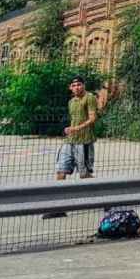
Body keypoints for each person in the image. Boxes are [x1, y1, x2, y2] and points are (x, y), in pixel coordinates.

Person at [44, 76, 98, 219]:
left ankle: (105, 199)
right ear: (70, 88)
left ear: (83, 86)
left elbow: (92, 119)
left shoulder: (89, 98)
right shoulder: (71, 102)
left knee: (84, 175)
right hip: (70, 141)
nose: (77, 87)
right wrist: (70, 130)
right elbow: (74, 119)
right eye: (74, 85)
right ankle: (58, 207)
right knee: (61, 171)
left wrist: (76, 128)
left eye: (79, 85)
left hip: (84, 141)